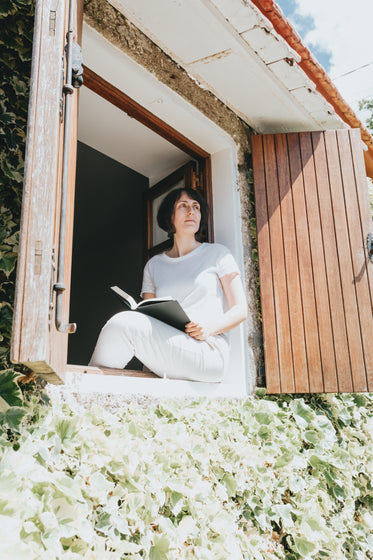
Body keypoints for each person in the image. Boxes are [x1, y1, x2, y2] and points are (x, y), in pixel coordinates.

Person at [89, 187, 247, 382]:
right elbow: (149, 315)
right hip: (169, 345)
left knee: (122, 324)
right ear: (169, 216)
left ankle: (87, 386)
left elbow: (240, 310)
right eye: (183, 205)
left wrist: (208, 328)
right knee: (122, 324)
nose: (191, 211)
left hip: (208, 350)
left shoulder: (218, 254)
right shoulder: (154, 265)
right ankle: (94, 388)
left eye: (196, 207)